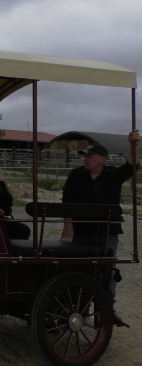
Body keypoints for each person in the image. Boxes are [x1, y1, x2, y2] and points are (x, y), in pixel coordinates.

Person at [59, 129, 140, 327]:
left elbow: (132, 165)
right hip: (82, 232)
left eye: (90, 156)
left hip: (107, 233)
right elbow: (67, 201)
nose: (86, 159)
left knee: (108, 272)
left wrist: (133, 144)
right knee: (80, 270)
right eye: (84, 156)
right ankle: (80, 310)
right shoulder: (77, 175)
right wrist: (68, 226)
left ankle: (106, 311)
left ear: (102, 159)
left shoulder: (113, 175)